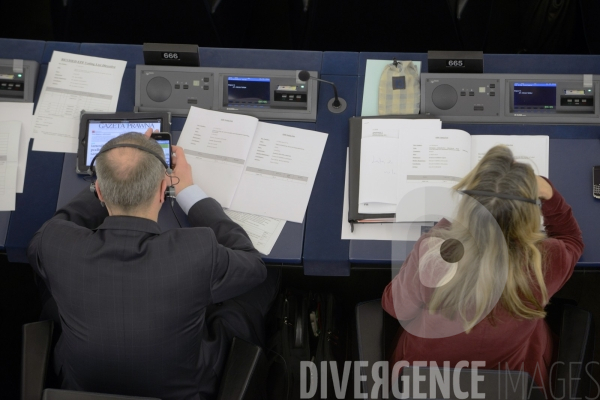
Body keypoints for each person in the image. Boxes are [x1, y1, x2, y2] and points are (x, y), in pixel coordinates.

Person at [28, 129, 279, 400]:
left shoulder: (55, 245)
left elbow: (54, 227)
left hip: (81, 387)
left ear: (98, 190)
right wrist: (188, 190)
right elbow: (254, 265)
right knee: (254, 293)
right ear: (163, 190)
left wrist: (114, 178)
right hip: (185, 389)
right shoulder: (196, 252)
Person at [382, 145, 584, 392]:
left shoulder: (434, 253)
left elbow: (396, 308)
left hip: (428, 381)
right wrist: (551, 196)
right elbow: (572, 239)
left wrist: (448, 227)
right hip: (509, 385)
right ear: (529, 215)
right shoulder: (546, 260)